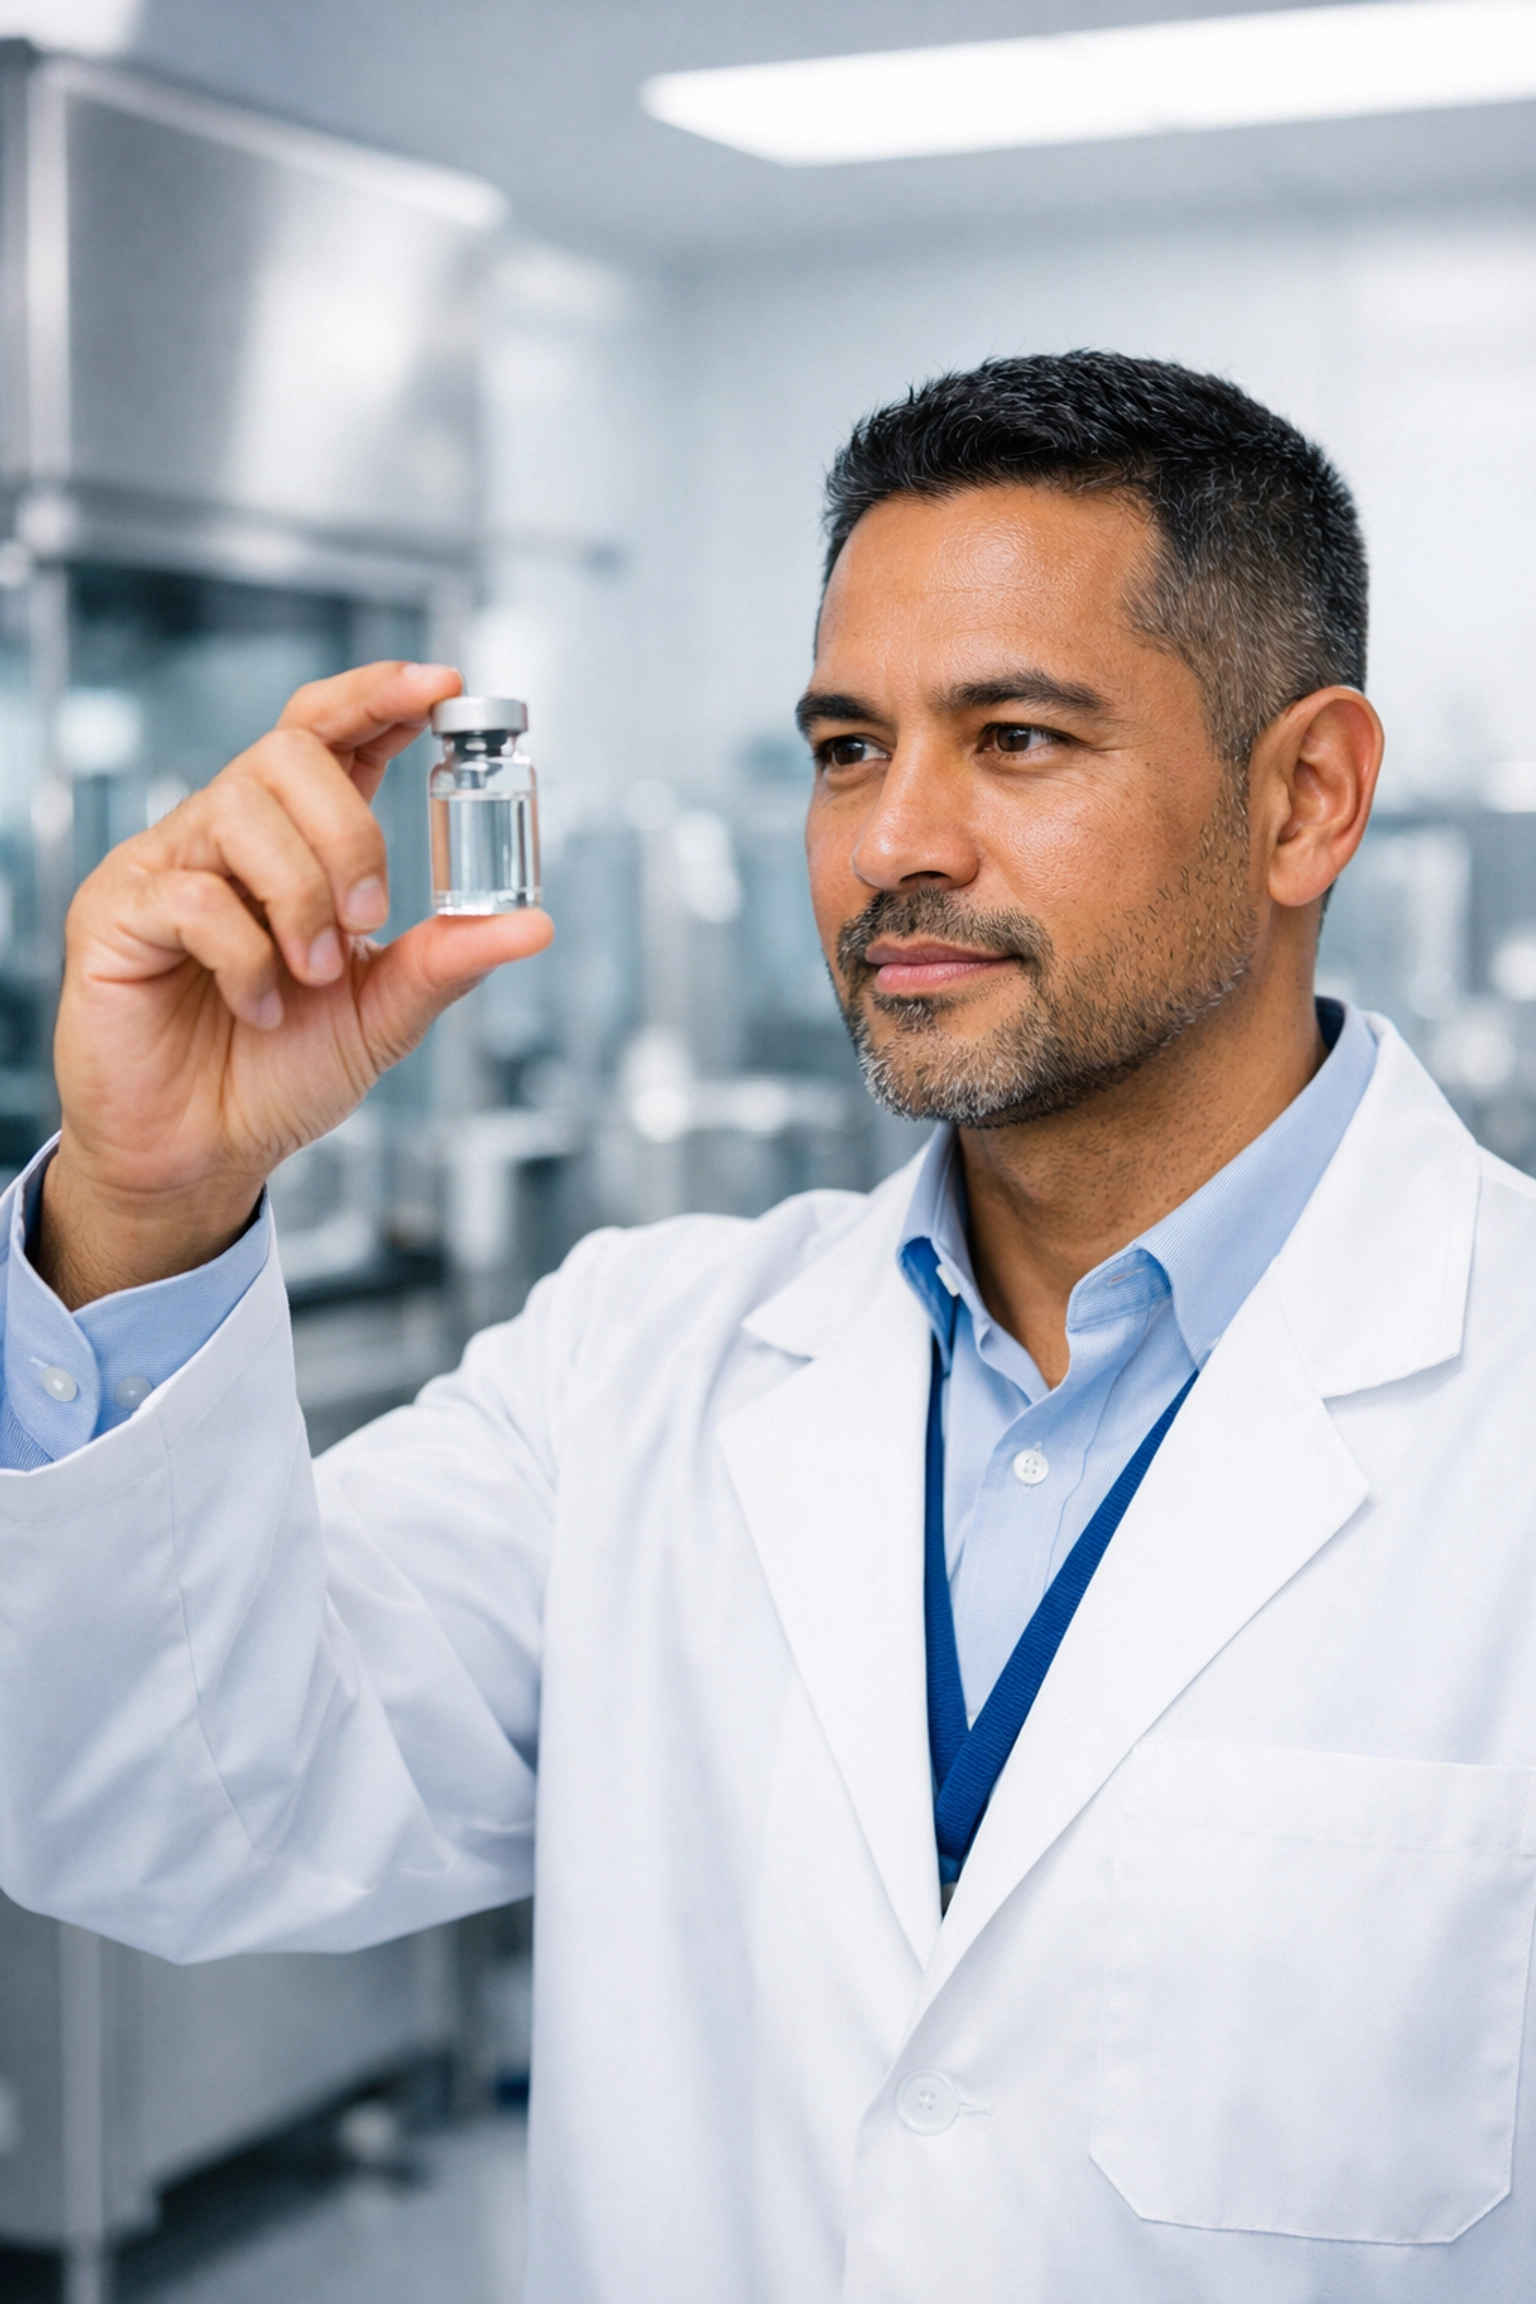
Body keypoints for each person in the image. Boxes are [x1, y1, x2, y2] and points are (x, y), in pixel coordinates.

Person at [1, 349, 1532, 2304]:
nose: (898, 840)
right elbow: (174, 1812)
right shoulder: (639, 1370)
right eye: (844, 747)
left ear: (1306, 797)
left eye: (1019, 741)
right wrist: (142, 1205)